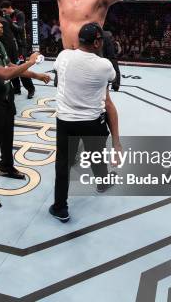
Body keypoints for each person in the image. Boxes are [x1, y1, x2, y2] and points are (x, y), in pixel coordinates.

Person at [35, 0, 128, 158]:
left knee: (104, 102)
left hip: (91, 58)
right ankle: (72, 147)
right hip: (67, 58)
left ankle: (116, 143)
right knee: (67, 105)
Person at [0, 11, 51, 208]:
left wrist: (35, 75)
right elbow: (4, 74)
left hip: (5, 99)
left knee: (8, 137)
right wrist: (31, 61)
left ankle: (6, 167)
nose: (1, 25)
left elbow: (10, 65)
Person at [51, 23, 118, 222]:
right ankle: (103, 182)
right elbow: (111, 80)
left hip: (65, 120)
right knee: (96, 154)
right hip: (91, 121)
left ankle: (60, 207)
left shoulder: (63, 56)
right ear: (97, 42)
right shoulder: (104, 65)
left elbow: (60, 68)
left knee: (63, 163)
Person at [0, 4, 36, 99]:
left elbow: (10, 39)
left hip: (14, 49)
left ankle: (30, 89)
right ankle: (17, 88)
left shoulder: (3, 21)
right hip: (5, 50)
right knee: (11, 70)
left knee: (19, 68)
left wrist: (12, 56)